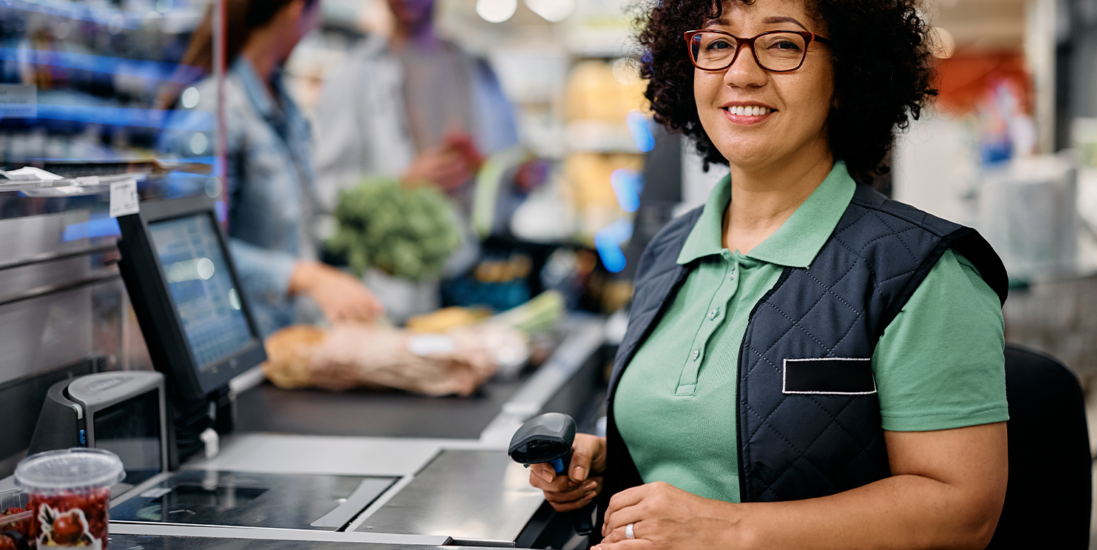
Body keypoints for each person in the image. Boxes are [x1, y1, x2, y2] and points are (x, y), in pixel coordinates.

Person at [529, 1, 1011, 548]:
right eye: (716, 45)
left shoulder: (921, 271)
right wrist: (617, 462)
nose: (740, 73)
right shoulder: (672, 249)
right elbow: (726, 440)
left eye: (783, 44)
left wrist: (728, 530)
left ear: (846, 77)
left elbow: (962, 511)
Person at [161, 0, 383, 337]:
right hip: (236, 346)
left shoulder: (285, 106)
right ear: (295, 10)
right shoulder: (215, 107)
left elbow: (296, 232)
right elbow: (188, 244)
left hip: (285, 342)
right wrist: (304, 277)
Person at [312, 0, 519, 216]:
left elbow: (507, 159)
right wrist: (400, 186)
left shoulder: (479, 70)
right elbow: (326, 188)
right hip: (394, 243)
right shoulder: (353, 76)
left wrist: (517, 178)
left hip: (476, 244)